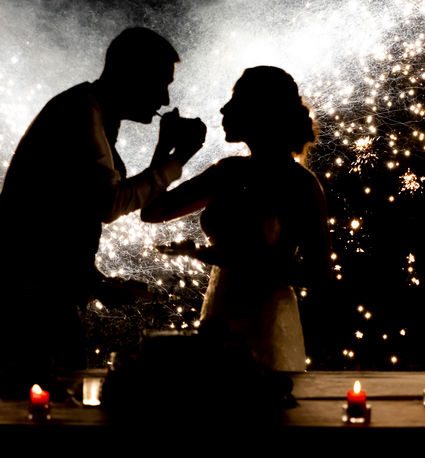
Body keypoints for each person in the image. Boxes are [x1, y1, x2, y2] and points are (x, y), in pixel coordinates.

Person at [0, 26, 206, 390]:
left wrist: (96, 282)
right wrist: (179, 159)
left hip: (35, 298)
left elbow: (59, 215)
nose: (164, 99)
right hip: (25, 303)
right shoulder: (80, 114)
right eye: (160, 83)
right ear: (131, 74)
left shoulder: (91, 112)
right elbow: (108, 203)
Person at [141, 66, 330, 372]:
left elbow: (319, 275)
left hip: (268, 323)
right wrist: (171, 150)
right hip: (219, 313)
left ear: (262, 110)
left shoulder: (301, 185)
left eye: (235, 99)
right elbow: (152, 212)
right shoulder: (226, 172)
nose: (224, 108)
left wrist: (234, 259)